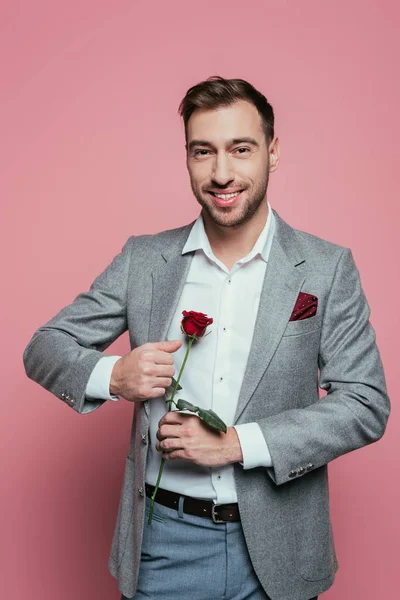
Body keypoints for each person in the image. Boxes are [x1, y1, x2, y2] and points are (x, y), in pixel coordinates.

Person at [23, 76, 390, 600]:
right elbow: (44, 347)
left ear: (273, 152)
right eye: (203, 152)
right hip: (164, 544)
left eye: (241, 149)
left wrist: (240, 444)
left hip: (282, 547)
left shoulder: (327, 270)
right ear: (188, 158)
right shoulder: (144, 260)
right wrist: (114, 375)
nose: (222, 173)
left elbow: (365, 402)